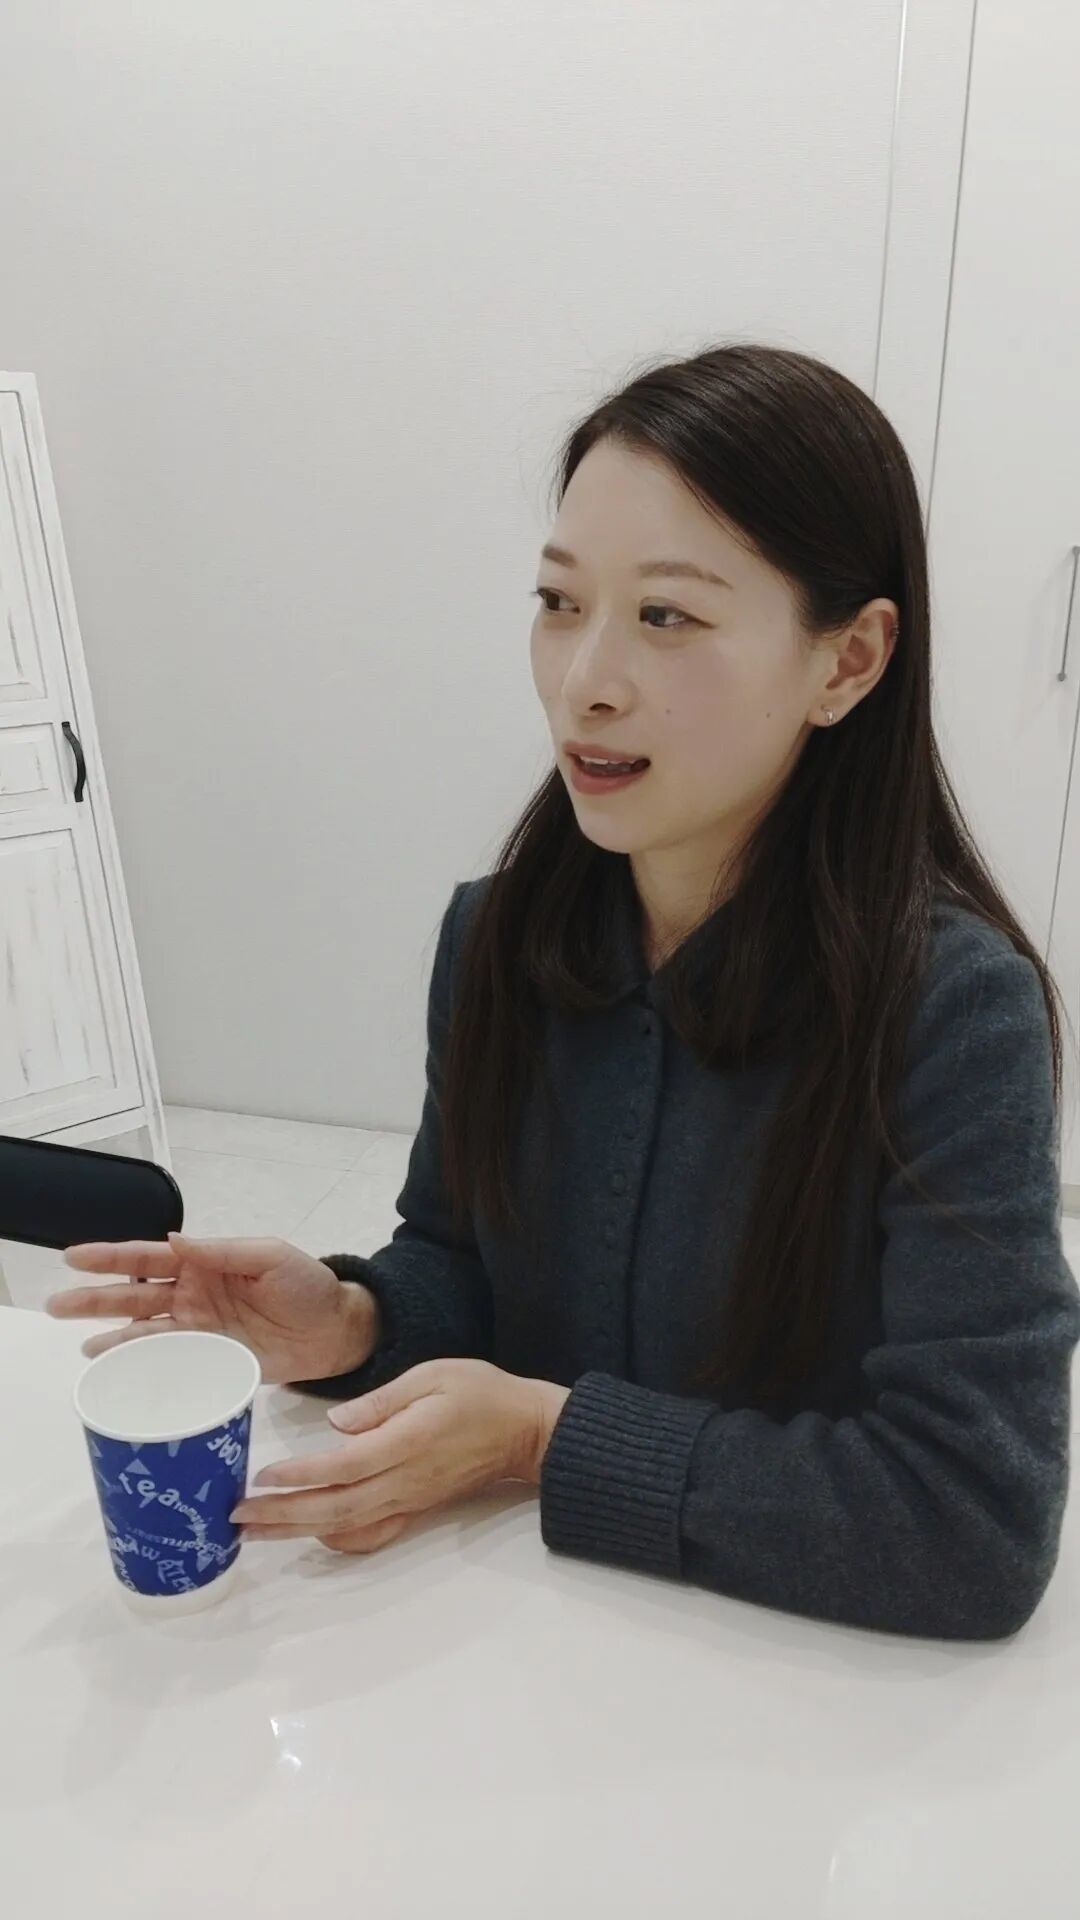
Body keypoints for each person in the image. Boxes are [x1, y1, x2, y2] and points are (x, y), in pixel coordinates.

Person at [48, 342, 1080, 1640]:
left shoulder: (950, 1012)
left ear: (848, 662)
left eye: (668, 616)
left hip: (785, 1680)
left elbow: (975, 1516)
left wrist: (545, 1440)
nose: (585, 679)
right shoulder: (498, 940)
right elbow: (465, 1266)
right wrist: (355, 1319)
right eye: (558, 600)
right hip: (518, 1641)